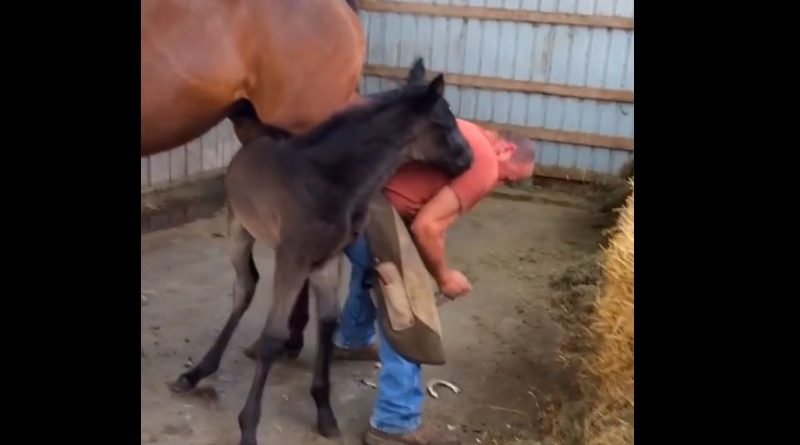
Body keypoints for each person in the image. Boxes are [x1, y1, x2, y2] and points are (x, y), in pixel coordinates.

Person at [333, 118, 537, 445]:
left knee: (374, 266)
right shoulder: (484, 161)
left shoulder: (461, 127)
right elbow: (427, 228)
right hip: (367, 208)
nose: (497, 184)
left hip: (342, 195)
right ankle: (394, 423)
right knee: (409, 310)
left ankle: (351, 339)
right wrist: (444, 277)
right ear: (506, 149)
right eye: (507, 179)